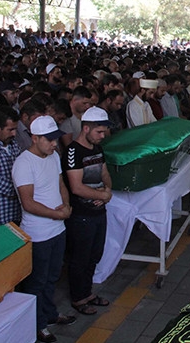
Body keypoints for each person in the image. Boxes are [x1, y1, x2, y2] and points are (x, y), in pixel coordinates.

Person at [12, 115, 75, 343]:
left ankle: (49, 314)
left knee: (52, 276)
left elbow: (60, 184)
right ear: (35, 138)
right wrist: (57, 214)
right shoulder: (23, 163)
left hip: (58, 229)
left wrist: (66, 205)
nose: (54, 144)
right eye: (48, 140)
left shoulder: (53, 156)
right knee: (37, 281)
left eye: (55, 139)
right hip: (38, 234)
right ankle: (36, 325)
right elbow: (28, 203)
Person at [62, 107, 112, 316]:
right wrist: (102, 196)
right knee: (80, 258)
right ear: (86, 128)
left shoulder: (97, 149)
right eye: (98, 132)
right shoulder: (74, 152)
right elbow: (76, 187)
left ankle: (88, 292)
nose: (102, 136)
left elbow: (104, 172)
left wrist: (107, 189)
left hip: (99, 213)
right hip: (82, 215)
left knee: (94, 255)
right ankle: (78, 297)